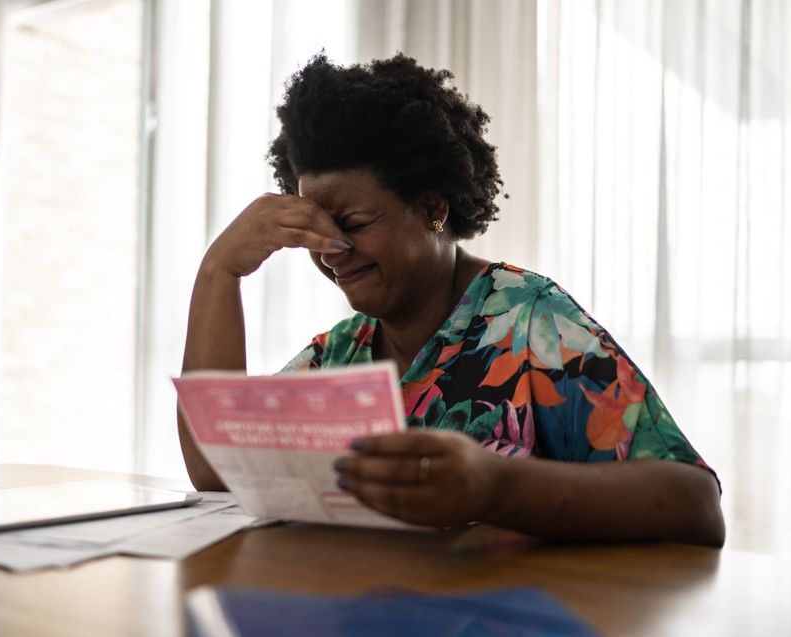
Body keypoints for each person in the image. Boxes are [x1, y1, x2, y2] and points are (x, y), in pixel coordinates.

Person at [179, 53, 725, 547]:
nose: (332, 252)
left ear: (433, 209)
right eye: (315, 234)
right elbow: (217, 470)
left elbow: (694, 505)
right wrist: (219, 272)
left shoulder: (527, 321)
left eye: (355, 224)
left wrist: (495, 486)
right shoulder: (342, 353)